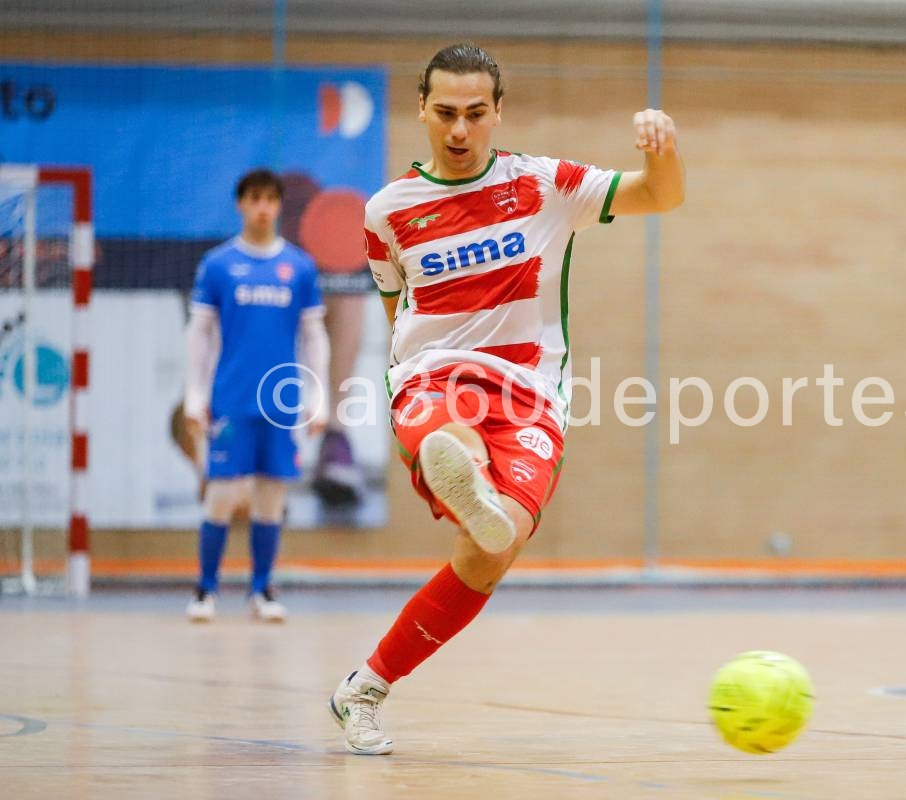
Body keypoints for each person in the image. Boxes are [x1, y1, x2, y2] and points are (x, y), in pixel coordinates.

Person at [328, 43, 684, 754]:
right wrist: (415, 384)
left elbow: (660, 194)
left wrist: (663, 149)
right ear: (421, 110)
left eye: (475, 114)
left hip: (528, 397)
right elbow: (396, 304)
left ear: (498, 113)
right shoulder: (387, 211)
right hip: (433, 377)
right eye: (446, 113)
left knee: (494, 548)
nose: (460, 131)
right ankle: (458, 461)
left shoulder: (546, 185)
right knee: (447, 438)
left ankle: (362, 686)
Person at [183, 168, 330, 623]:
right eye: (254, 198)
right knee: (222, 495)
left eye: (270, 198)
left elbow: (314, 336)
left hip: (280, 404)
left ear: (279, 205)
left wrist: (318, 396)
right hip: (230, 399)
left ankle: (262, 590)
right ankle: (205, 590)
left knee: (271, 498)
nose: (263, 206)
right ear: (240, 204)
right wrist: (195, 393)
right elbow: (200, 333)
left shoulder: (300, 267)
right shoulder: (218, 264)